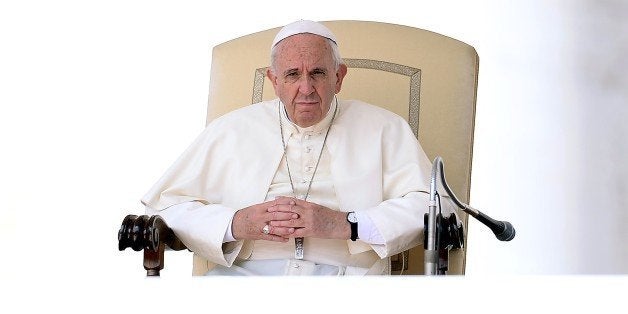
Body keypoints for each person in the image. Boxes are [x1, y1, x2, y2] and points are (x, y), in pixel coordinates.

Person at [141, 20, 454, 275]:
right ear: (274, 80)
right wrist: (235, 223)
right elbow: (164, 207)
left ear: (339, 76)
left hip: (349, 279)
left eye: (317, 72)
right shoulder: (231, 130)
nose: (306, 88)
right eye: (292, 75)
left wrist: (346, 224)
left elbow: (435, 208)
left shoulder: (385, 128)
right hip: (244, 279)